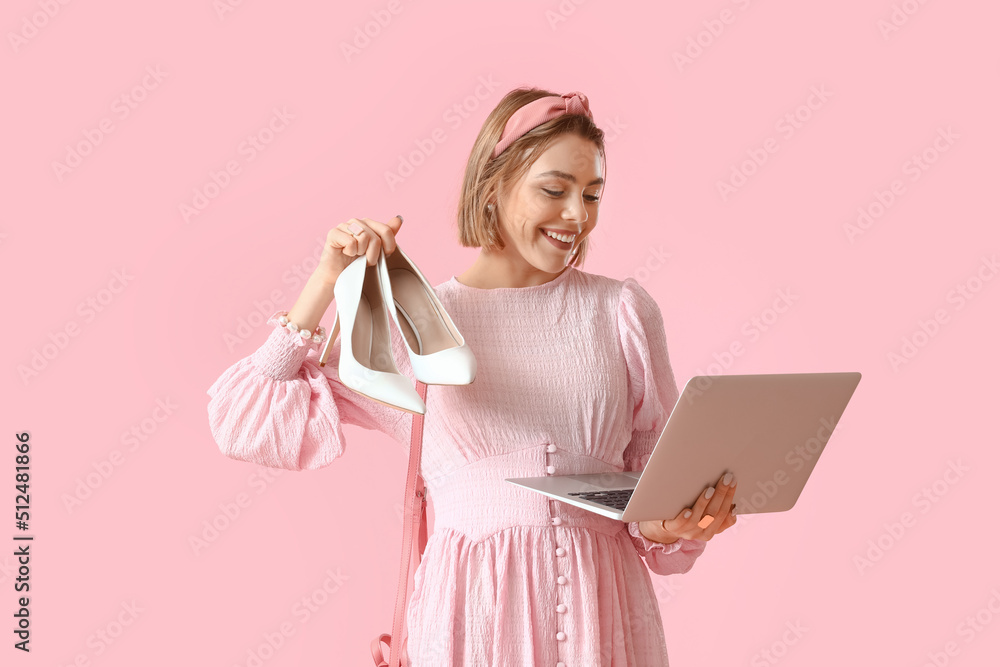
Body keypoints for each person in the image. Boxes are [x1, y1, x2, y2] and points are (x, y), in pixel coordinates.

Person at [206, 87, 738, 666]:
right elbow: (241, 422)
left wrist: (669, 524)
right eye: (554, 190)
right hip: (469, 621)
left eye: (592, 194)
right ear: (493, 187)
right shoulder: (417, 325)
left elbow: (648, 495)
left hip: (603, 616)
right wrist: (326, 279)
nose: (577, 216)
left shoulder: (623, 313)